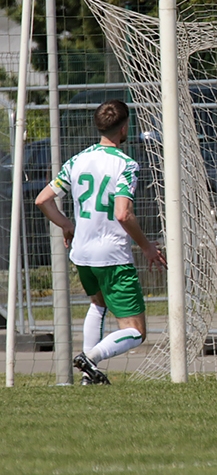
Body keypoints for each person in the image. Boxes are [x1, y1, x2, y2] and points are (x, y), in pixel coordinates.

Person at [35, 100, 166, 385]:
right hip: (112, 255)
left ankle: (87, 377)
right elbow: (123, 213)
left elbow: (43, 200)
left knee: (98, 305)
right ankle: (90, 359)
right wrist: (146, 246)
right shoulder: (126, 164)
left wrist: (68, 225)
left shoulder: (77, 160)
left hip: (81, 253)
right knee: (136, 331)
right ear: (125, 127)